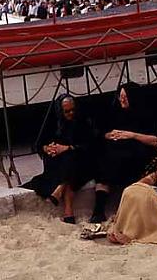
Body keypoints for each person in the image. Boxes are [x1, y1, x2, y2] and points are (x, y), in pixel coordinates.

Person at [89, 82, 157, 223]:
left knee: (129, 158)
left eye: (125, 97)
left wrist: (131, 135)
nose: (122, 100)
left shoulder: (146, 114)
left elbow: (156, 140)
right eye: (120, 97)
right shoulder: (115, 111)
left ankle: (127, 208)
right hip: (117, 151)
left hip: (139, 151)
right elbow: (103, 131)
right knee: (103, 159)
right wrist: (109, 135)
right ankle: (99, 210)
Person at [22, 95, 98, 224]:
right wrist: (48, 148)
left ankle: (63, 197)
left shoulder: (82, 122)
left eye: (73, 110)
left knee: (71, 159)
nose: (71, 113)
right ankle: (67, 209)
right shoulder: (53, 123)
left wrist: (68, 147)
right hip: (60, 162)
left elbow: (89, 144)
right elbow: (41, 144)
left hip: (81, 160)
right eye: (67, 111)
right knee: (68, 165)